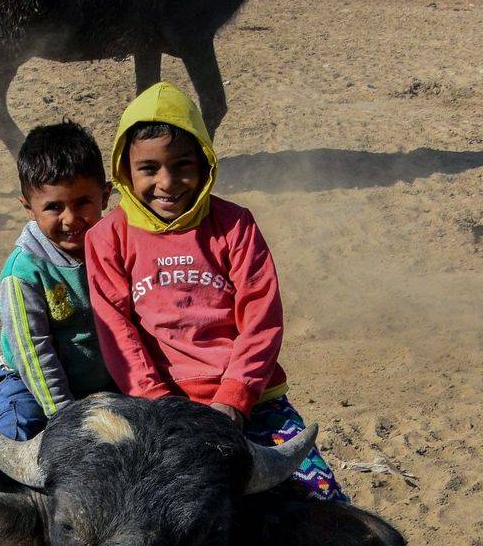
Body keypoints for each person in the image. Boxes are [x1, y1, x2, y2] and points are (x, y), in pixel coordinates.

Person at [85, 81, 351, 508]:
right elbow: (116, 331)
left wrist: (234, 399)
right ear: (124, 171)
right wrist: (159, 404)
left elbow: (261, 318)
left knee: (323, 501)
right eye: (149, 168)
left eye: (182, 165)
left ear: (205, 163)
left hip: (253, 402)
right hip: (160, 409)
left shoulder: (235, 225)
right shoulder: (107, 237)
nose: (167, 182)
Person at [0, 121, 114, 490]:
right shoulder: (23, 272)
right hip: (32, 384)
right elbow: (33, 353)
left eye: (82, 203)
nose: (70, 219)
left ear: (106, 195)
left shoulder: (115, 246)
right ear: (28, 208)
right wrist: (65, 416)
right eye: (54, 207)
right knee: (12, 446)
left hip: (101, 379)